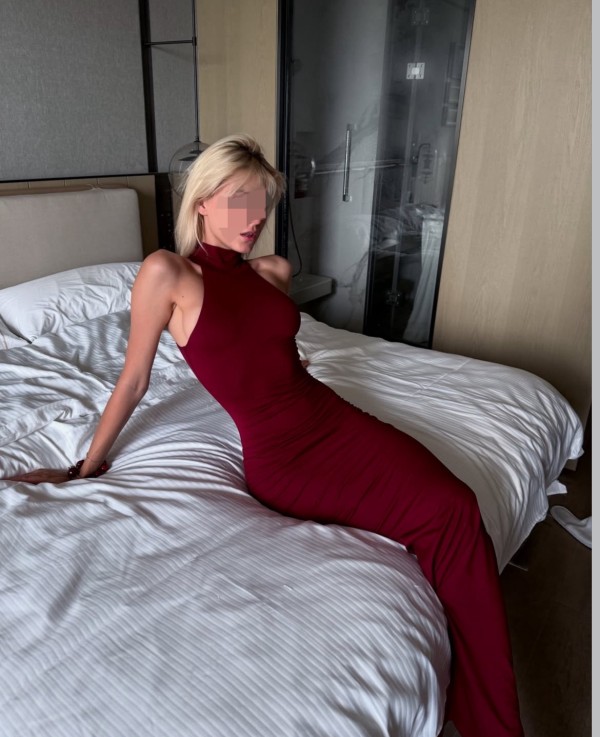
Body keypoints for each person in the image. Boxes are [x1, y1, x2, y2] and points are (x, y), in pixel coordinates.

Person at [9, 133, 524, 737]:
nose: (254, 219)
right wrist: (83, 467)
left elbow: (269, 347)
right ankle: (494, 724)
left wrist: (286, 360)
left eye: (263, 204)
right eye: (240, 201)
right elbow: (134, 379)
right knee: (450, 513)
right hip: (285, 459)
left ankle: (479, 704)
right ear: (203, 201)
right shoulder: (167, 273)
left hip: (333, 417)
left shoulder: (271, 271)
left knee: (455, 505)